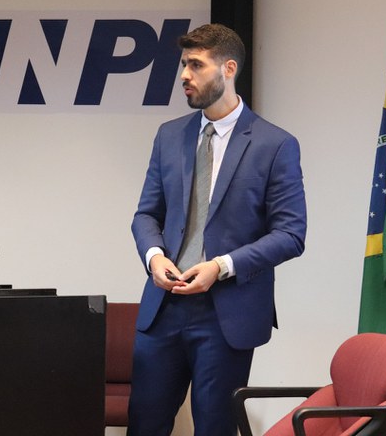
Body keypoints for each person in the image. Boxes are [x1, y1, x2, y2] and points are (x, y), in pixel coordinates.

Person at [129, 23, 307, 436]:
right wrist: (154, 257)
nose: (184, 75)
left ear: (228, 69)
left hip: (226, 313)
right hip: (164, 306)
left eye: (196, 65)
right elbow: (146, 215)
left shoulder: (275, 144)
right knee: (144, 425)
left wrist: (221, 266)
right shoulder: (169, 136)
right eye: (183, 64)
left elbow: (291, 234)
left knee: (214, 429)